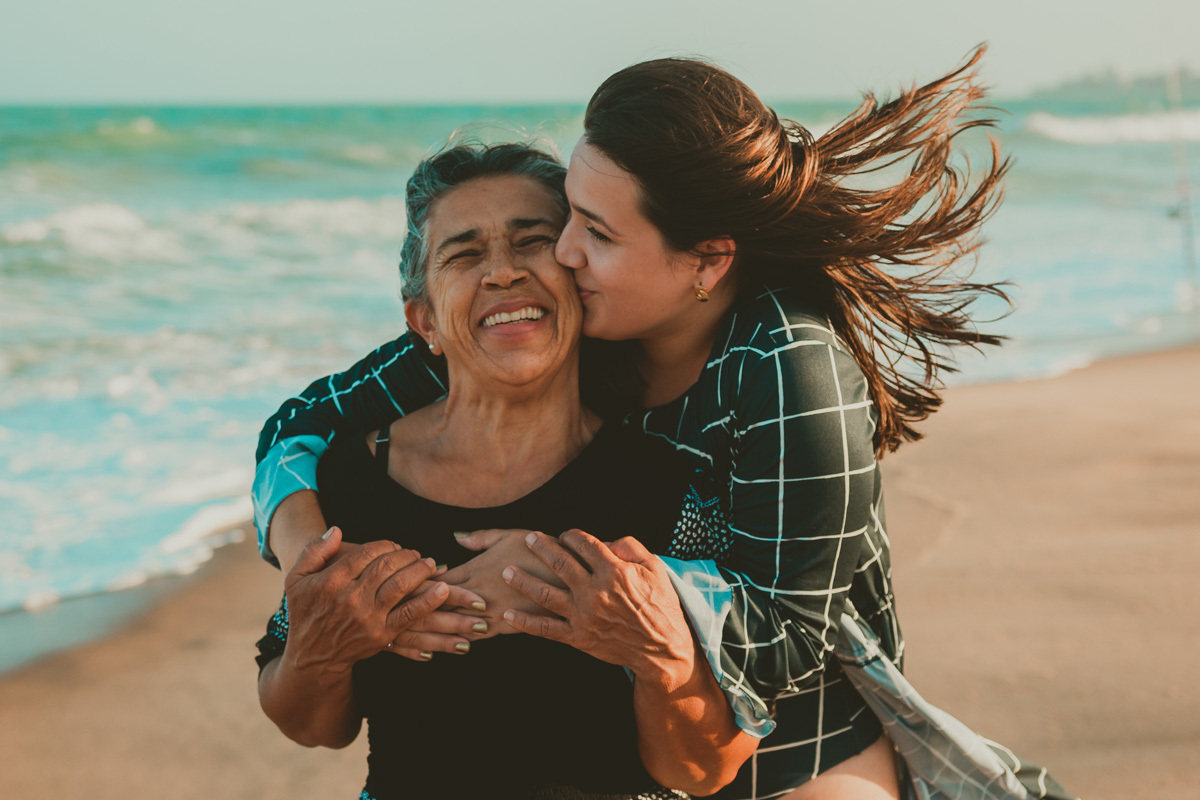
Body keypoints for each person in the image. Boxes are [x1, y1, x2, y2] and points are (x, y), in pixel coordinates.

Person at [253, 49, 1073, 800]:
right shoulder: (552, 325)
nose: (559, 255)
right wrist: (314, 570)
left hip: (797, 753)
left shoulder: (786, 369)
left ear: (708, 261)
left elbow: (784, 644)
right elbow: (297, 427)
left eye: (591, 233)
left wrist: (562, 574)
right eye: (569, 215)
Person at [254, 142, 758, 800]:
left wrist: (659, 653)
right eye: (464, 254)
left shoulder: (668, 484)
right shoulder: (350, 479)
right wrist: (322, 647)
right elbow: (312, 723)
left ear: (580, 275)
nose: (502, 272)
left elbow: (703, 768)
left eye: (532, 242)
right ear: (424, 319)